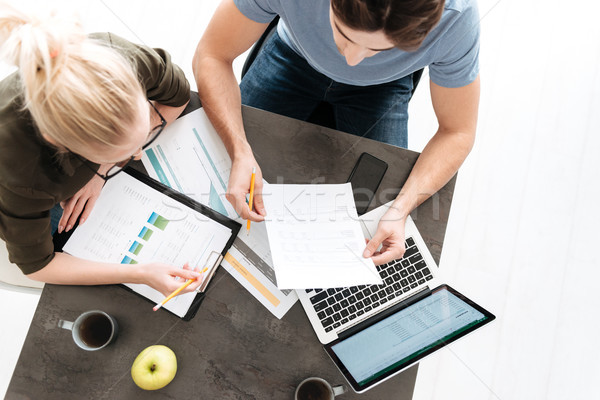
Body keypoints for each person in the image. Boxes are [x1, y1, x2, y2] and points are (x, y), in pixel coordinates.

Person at [193, 0, 480, 265]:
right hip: (292, 55)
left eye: (378, 49)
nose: (353, 60)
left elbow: (457, 132)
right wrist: (239, 150)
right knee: (218, 177)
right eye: (344, 33)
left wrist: (399, 209)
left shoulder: (456, 19)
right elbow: (212, 55)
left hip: (382, 88)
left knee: (373, 213)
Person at [0, 4, 203, 296]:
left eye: (146, 132)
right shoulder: (20, 176)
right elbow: (37, 267)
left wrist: (102, 169)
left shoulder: (123, 59)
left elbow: (178, 96)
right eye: (118, 154)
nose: (137, 155)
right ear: (62, 145)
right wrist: (140, 273)